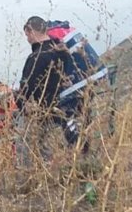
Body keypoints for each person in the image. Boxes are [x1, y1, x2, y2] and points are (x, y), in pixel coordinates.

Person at [15, 16, 82, 152]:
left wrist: (18, 100)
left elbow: (26, 90)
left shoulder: (36, 58)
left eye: (27, 35)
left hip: (43, 111)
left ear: (30, 31)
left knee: (28, 147)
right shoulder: (61, 50)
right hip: (63, 106)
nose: (27, 39)